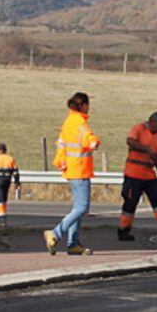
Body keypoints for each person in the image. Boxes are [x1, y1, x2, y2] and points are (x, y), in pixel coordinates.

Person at [44, 92, 101, 256]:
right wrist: (95, 141)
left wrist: (61, 161)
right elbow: (88, 140)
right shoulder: (80, 122)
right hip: (80, 170)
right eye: (88, 105)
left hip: (71, 169)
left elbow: (61, 144)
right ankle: (55, 233)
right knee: (82, 208)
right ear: (83, 105)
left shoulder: (68, 121)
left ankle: (73, 244)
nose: (89, 108)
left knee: (78, 208)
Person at [118, 112, 157, 248]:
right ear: (153, 122)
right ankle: (123, 230)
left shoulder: (156, 135)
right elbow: (130, 141)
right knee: (130, 204)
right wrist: (146, 149)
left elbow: (155, 155)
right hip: (133, 174)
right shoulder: (139, 128)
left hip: (149, 176)